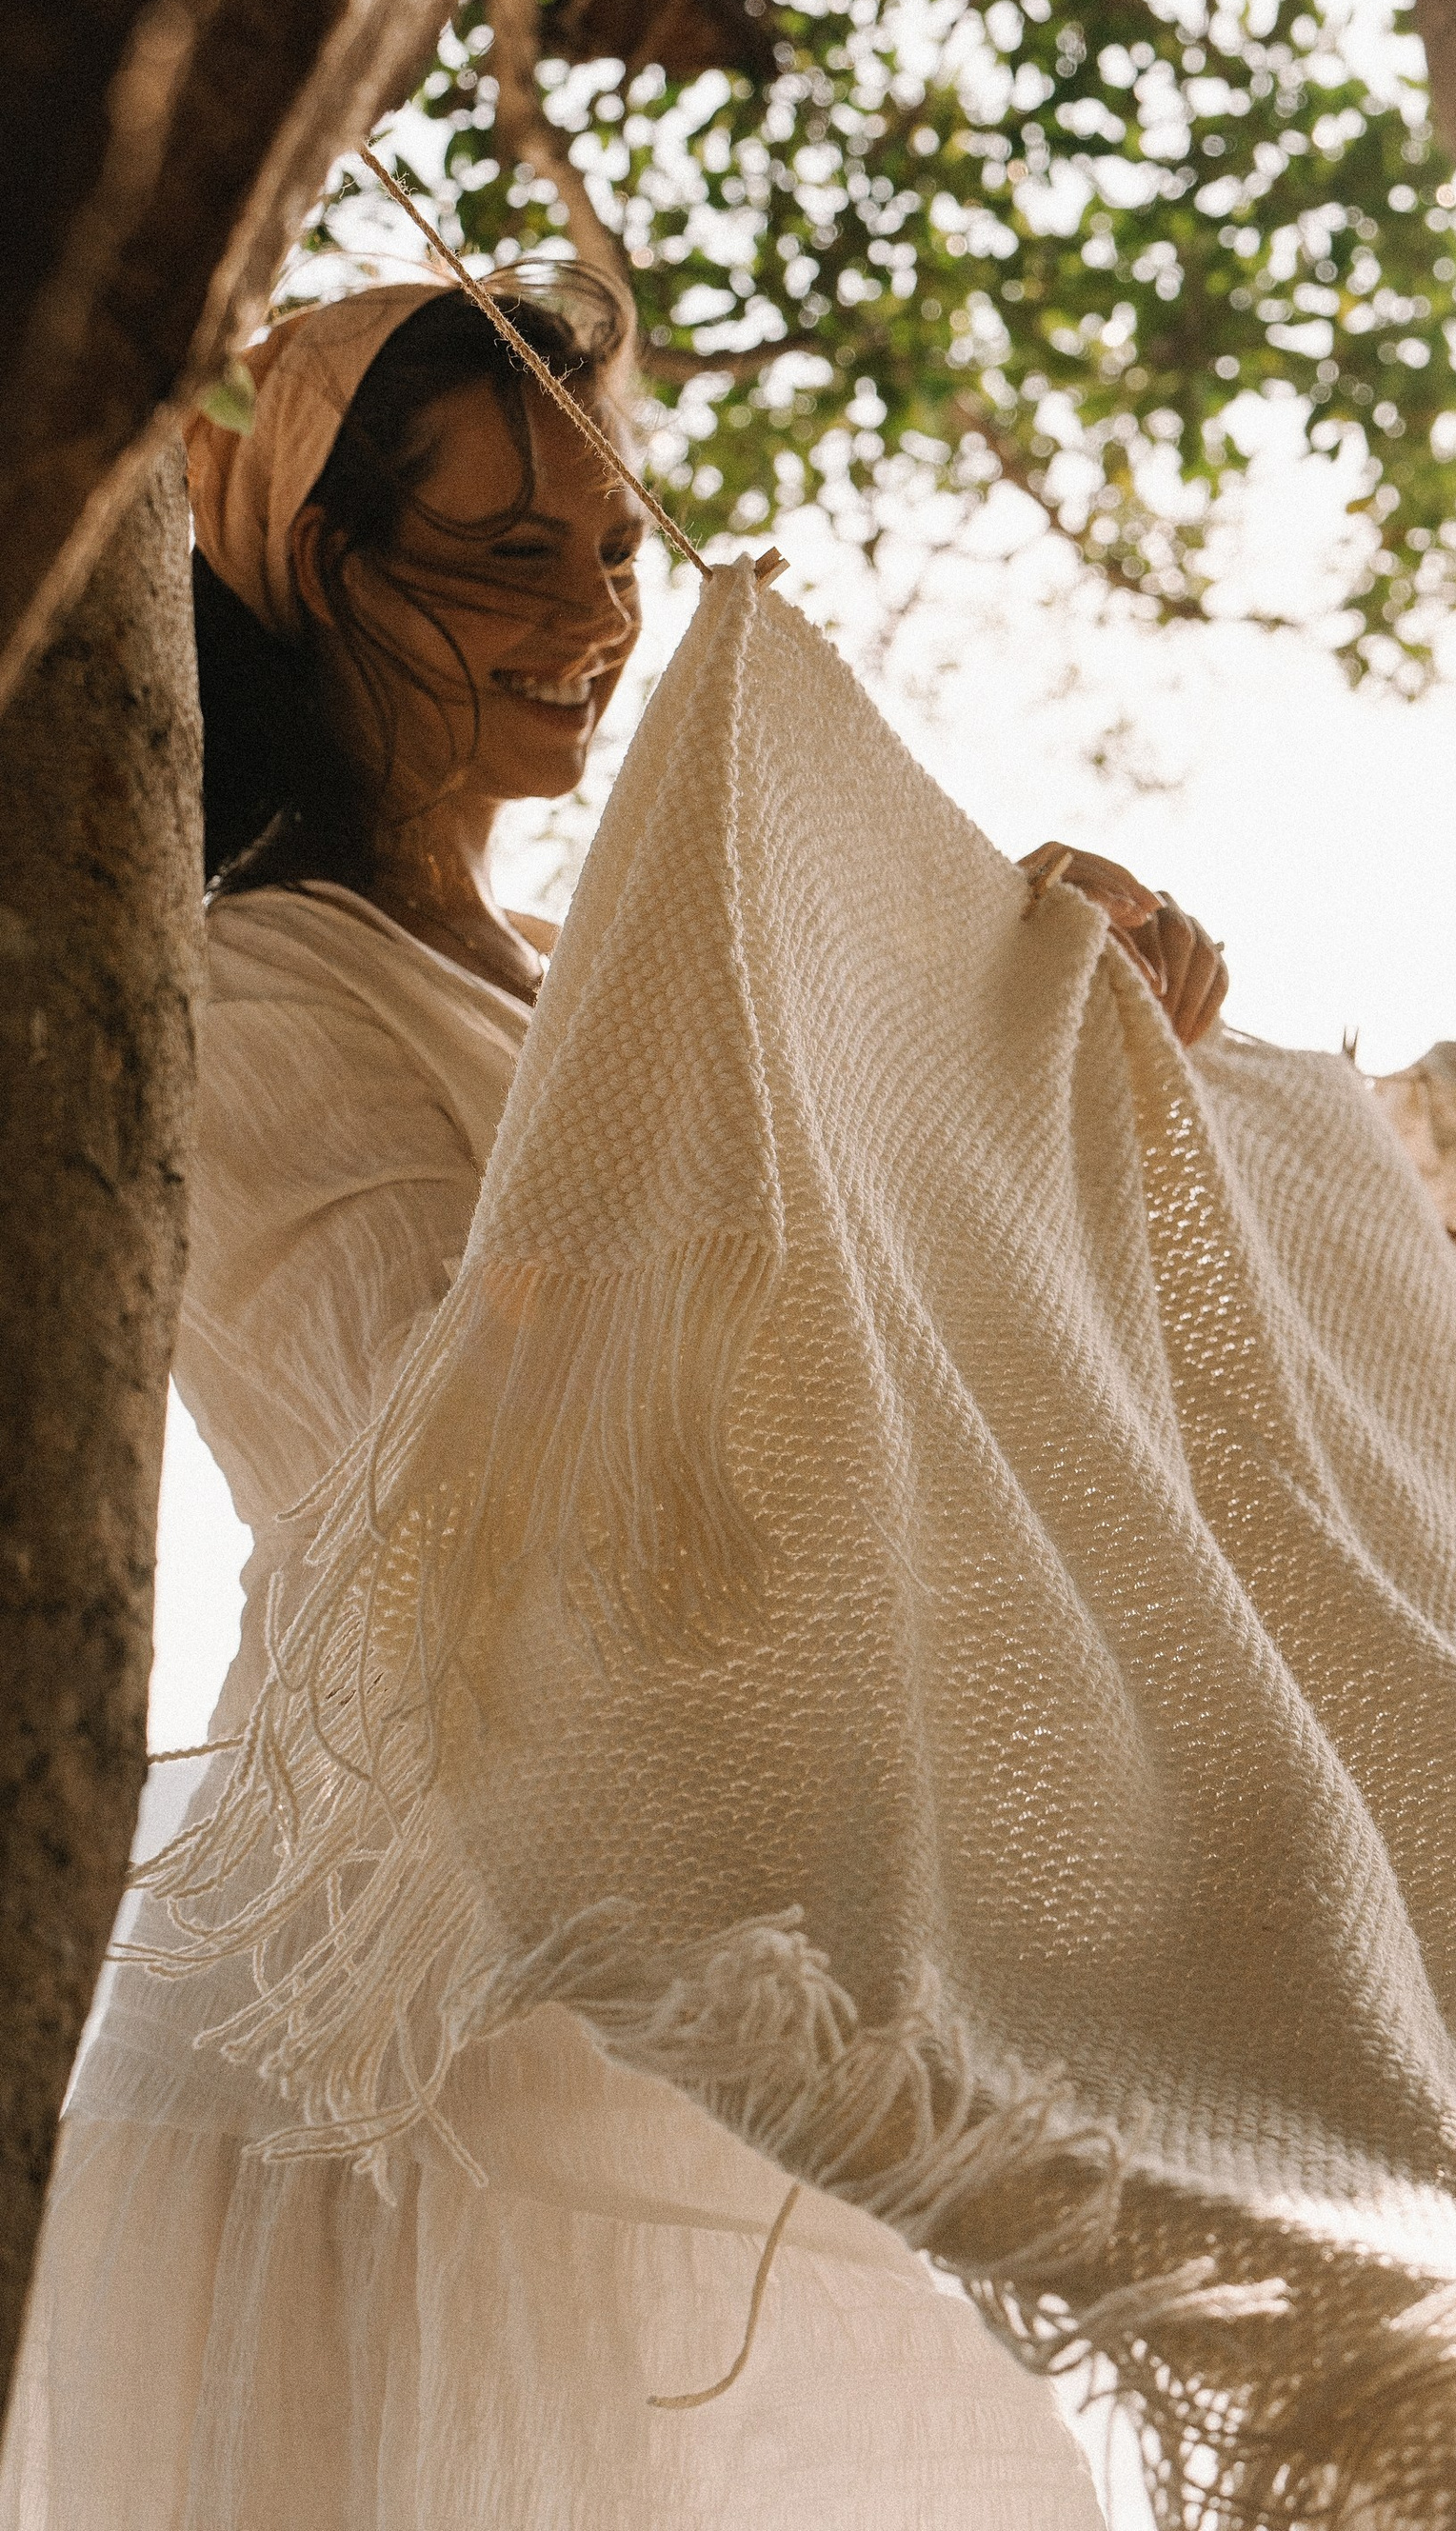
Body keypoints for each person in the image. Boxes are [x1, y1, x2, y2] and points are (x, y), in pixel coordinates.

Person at [0, 270, 1222, 2531]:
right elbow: (448, 1443)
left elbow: (868, 1336)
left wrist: (1027, 1049)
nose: (592, 618)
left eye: (616, 547)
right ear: (311, 568)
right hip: (414, 2033)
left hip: (721, 1980)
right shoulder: (250, 983)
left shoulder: (575, 980)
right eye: (499, 554)